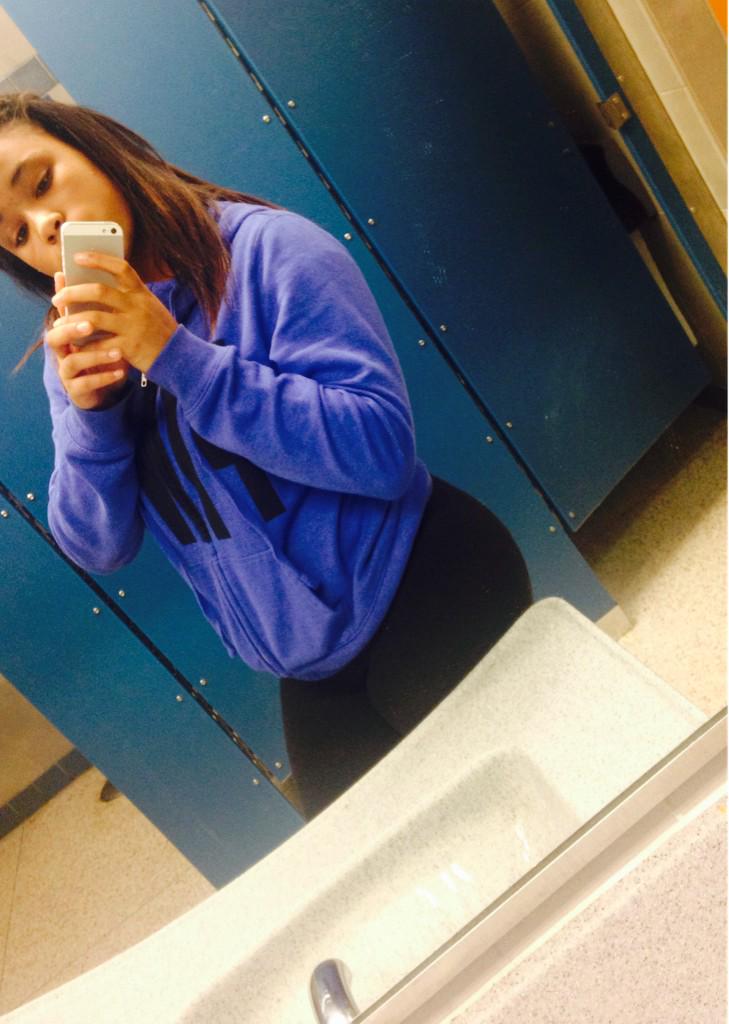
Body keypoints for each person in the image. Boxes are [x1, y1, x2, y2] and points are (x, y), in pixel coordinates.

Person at [0, 92, 532, 818]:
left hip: (422, 576)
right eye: (15, 233)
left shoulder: (269, 252)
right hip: (309, 662)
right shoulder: (74, 348)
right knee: (398, 867)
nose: (44, 225)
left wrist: (177, 356)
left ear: (94, 148)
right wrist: (92, 421)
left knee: (527, 819)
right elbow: (99, 547)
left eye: (40, 182)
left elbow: (380, 450)